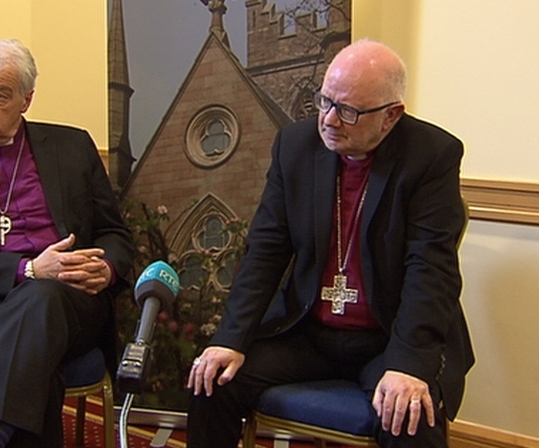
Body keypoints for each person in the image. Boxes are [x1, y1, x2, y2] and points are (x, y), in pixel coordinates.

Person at [186, 39, 474, 448]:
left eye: (349, 111)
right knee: (211, 380)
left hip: (390, 335)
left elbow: (430, 267)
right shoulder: (295, 146)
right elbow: (265, 252)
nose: (329, 119)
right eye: (324, 101)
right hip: (309, 332)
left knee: (410, 415)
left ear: (391, 116)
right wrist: (229, 339)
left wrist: (409, 364)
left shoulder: (431, 156)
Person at [0, 39, 134, 448]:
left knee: (43, 300)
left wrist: (106, 269)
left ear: (26, 100)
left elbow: (115, 234)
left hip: (72, 298)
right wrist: (28, 270)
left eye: (0, 96)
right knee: (35, 349)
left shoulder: (72, 147)